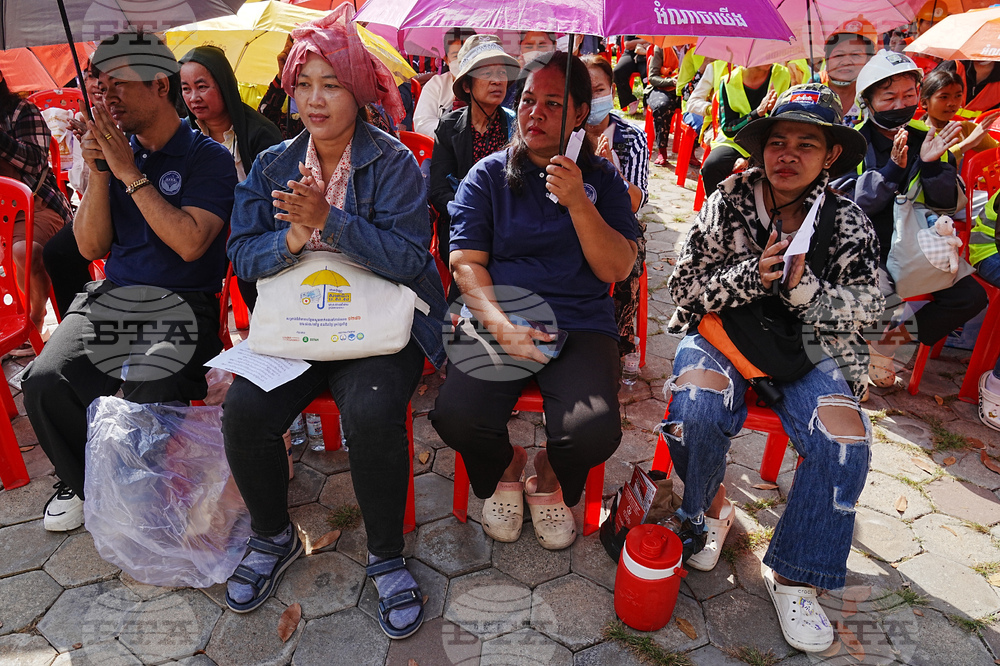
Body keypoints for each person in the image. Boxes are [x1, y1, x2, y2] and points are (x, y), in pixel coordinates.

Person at [222, 8, 447, 638]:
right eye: (304, 84)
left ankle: (385, 558)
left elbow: (409, 259)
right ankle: (271, 537)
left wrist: (331, 220)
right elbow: (241, 253)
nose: (315, 99)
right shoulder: (271, 165)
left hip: (377, 325)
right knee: (244, 411)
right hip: (298, 321)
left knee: (373, 411)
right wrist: (291, 238)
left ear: (357, 90)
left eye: (332, 84)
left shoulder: (394, 163)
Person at [666, 84, 882, 654]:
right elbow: (681, 286)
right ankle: (706, 508)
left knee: (845, 440)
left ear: (830, 155)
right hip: (724, 337)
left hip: (809, 351)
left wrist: (803, 287)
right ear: (760, 149)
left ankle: (795, 573)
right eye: (777, 141)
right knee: (695, 405)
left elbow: (869, 308)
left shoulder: (849, 221)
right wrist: (749, 278)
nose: (787, 155)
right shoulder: (730, 199)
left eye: (806, 145)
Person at [21, 31, 237, 532]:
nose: (105, 94)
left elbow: (189, 243)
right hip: (114, 299)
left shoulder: (207, 158)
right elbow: (92, 248)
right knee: (45, 382)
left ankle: (146, 494)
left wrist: (128, 173)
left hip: (183, 306)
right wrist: (100, 172)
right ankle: (86, 484)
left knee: (147, 395)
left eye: (118, 82)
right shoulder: (111, 155)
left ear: (161, 85)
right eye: (99, 83)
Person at [430, 51, 637, 551]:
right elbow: (465, 266)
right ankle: (508, 465)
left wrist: (579, 202)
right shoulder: (487, 176)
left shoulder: (603, 181)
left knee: (591, 432)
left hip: (581, 322)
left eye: (553, 103)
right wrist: (502, 327)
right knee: (455, 415)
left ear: (581, 114)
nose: (534, 114)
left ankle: (547, 473)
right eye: (528, 100)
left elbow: (618, 268)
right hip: (499, 313)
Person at [833, 51, 987, 387]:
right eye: (888, 97)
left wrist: (932, 165)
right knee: (876, 300)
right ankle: (853, 360)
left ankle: (887, 345)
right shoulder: (850, 144)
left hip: (918, 248)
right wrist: (891, 171)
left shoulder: (927, 137)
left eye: (908, 95)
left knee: (970, 297)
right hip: (865, 249)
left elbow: (948, 203)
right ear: (868, 101)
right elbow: (849, 207)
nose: (900, 104)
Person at [180, 45, 284, 311]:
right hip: (203, 228)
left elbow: (276, 200)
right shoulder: (184, 135)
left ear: (224, 85)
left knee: (251, 271)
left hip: (252, 230)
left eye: (202, 86)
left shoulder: (260, 134)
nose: (194, 98)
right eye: (186, 88)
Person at [429, 35, 519, 267]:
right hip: (463, 227)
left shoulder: (516, 125)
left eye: (501, 74)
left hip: (510, 227)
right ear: (467, 85)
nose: (497, 81)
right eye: (487, 74)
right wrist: (472, 213)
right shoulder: (449, 126)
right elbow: (439, 191)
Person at [582, 54, 649, 357]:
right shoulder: (565, 134)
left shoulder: (630, 138)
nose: (593, 97)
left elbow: (635, 203)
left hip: (617, 222)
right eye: (585, 90)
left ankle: (617, 341)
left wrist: (612, 173)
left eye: (599, 90)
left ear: (611, 90)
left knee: (626, 263)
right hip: (572, 216)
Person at [0, 72, 73, 338]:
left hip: (35, 203)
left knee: (24, 251)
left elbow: (34, 160)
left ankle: (34, 316)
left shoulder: (22, 111)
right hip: (1, 210)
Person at [701, 63, 793, 195]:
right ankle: (717, 209)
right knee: (712, 166)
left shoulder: (782, 74)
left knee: (770, 169)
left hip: (768, 140)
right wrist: (757, 113)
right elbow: (728, 128)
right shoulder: (728, 81)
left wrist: (775, 110)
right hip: (735, 140)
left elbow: (787, 117)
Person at [919, 67, 1000, 163]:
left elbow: (996, 152)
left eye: (958, 96)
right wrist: (967, 144)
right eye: (944, 97)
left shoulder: (966, 129)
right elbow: (927, 165)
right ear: (924, 103)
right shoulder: (916, 133)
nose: (952, 103)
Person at [412, 29, 474, 136]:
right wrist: (455, 129)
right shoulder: (437, 85)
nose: (463, 61)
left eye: (468, 56)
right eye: (456, 56)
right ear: (446, 60)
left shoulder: (485, 84)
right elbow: (422, 124)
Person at [820, 17, 877, 127]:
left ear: (869, 60)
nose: (846, 62)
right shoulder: (810, 91)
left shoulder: (874, 95)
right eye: (839, 55)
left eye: (855, 54)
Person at [644, 46, 680, 167]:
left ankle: (691, 152)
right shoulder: (661, 48)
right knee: (662, 106)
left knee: (695, 108)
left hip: (685, 90)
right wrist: (671, 81)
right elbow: (652, 77)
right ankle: (662, 150)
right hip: (662, 89)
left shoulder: (693, 49)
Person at [613, 37, 650, 115]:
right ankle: (630, 101)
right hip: (630, 53)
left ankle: (647, 104)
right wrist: (646, 40)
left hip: (647, 53)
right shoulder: (631, 25)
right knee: (617, 71)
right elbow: (628, 45)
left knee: (647, 73)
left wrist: (638, 43)